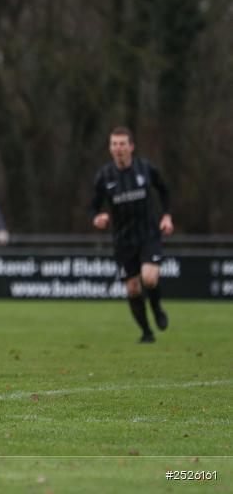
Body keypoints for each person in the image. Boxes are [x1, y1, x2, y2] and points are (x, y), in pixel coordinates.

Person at [90, 126, 173, 343]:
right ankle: (146, 332)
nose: (118, 148)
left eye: (122, 144)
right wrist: (97, 218)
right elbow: (93, 206)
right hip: (123, 241)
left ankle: (157, 309)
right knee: (133, 288)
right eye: (114, 144)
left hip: (148, 235)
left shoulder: (145, 169)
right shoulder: (105, 176)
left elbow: (164, 190)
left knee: (149, 278)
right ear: (110, 148)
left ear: (131, 147)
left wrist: (166, 216)